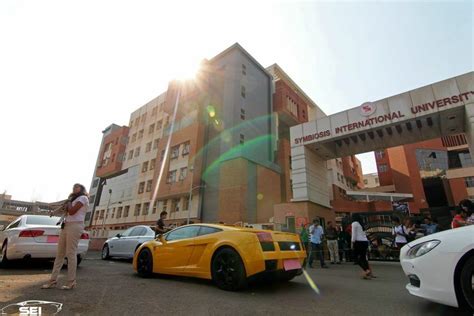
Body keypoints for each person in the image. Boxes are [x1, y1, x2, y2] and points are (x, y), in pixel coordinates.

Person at [41, 183, 89, 290]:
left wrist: (68, 203)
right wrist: (57, 209)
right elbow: (65, 210)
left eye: (77, 187)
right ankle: (52, 280)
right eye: (73, 187)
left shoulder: (83, 198)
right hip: (66, 225)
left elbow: (72, 211)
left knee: (71, 253)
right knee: (60, 253)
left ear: (81, 189)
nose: (74, 188)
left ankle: (71, 282)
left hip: (76, 225)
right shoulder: (71, 199)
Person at [351, 214, 373, 279]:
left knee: (356, 258)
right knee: (363, 257)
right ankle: (367, 272)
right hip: (364, 241)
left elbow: (354, 234)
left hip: (358, 242)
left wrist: (352, 242)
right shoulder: (361, 224)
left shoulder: (354, 223)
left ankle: (366, 270)